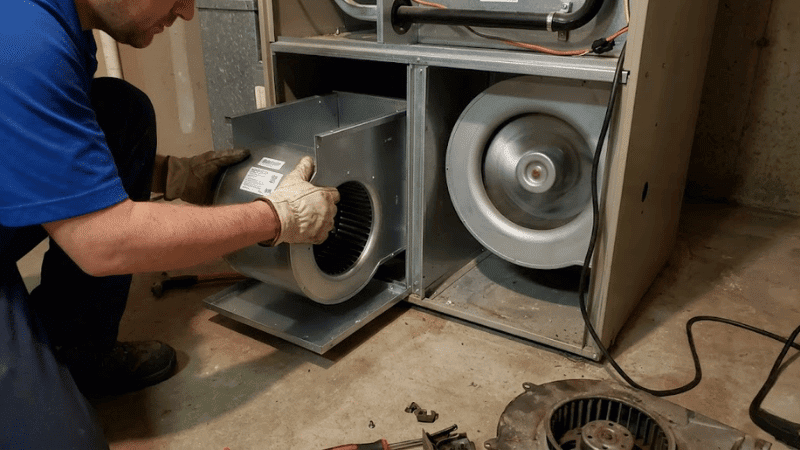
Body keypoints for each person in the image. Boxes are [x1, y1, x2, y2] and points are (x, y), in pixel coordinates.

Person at [0, 0, 340, 447]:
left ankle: (76, 348)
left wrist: (171, 175)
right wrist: (274, 217)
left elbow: (35, 140)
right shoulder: (24, 41)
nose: (187, 13)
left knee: (121, 112)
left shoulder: (60, 23)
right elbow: (104, 243)